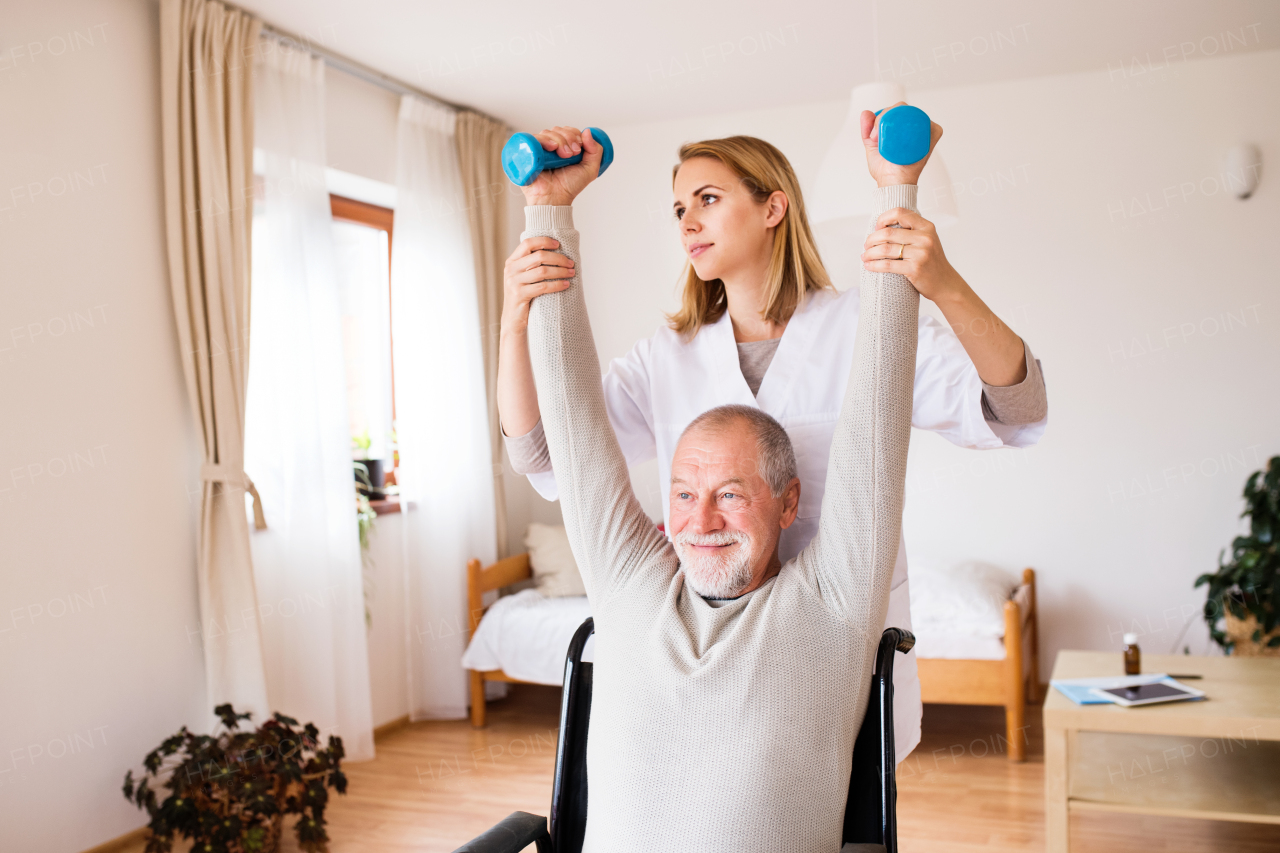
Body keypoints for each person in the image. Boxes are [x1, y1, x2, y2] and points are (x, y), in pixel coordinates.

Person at [497, 112, 1048, 763]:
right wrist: (514, 320)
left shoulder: (862, 327)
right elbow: (546, 455)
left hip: (842, 664)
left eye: (707, 199)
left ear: (772, 207)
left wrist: (943, 282)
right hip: (710, 668)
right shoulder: (665, 359)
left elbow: (1016, 406)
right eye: (679, 209)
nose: (688, 223)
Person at [517, 108, 921, 850]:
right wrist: (547, 206)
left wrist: (897, 191)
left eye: (731, 493)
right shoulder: (632, 579)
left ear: (788, 501)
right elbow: (569, 426)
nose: (699, 518)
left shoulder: (831, 602)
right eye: (682, 492)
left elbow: (880, 410)